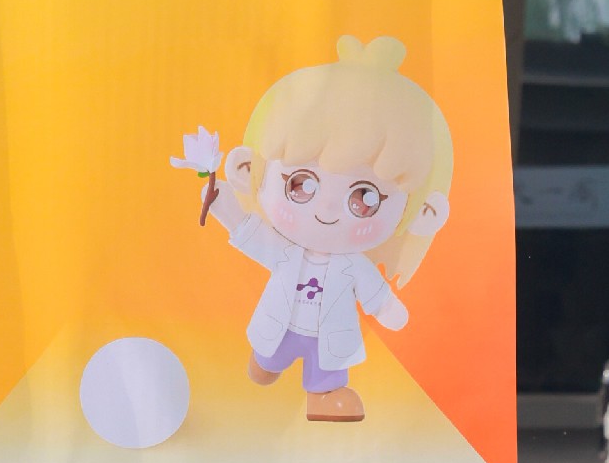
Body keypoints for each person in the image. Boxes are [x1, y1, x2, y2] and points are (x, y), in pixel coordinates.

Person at [172, 34, 452, 423]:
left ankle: (322, 394)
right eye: (300, 184)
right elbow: (250, 232)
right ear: (249, 170)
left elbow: (375, 293)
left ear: (421, 211)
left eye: (364, 197)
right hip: (280, 323)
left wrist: (388, 308)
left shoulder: (353, 265)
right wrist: (221, 203)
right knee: (268, 355)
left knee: (327, 372)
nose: (327, 210)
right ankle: (265, 365)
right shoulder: (285, 251)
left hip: (329, 337)